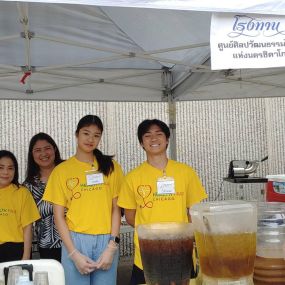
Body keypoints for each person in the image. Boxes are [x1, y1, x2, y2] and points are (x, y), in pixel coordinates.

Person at [117, 119, 208, 285]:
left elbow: (194, 211)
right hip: (147, 252)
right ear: (141, 143)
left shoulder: (186, 172)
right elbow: (130, 217)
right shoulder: (132, 177)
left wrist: (180, 235)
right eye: (147, 135)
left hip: (181, 250)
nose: (154, 139)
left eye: (159, 134)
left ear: (167, 140)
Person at [43, 115, 124, 285]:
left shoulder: (111, 166)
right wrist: (73, 253)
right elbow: (58, 216)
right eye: (86, 133)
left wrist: (112, 246)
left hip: (106, 239)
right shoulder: (61, 171)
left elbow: (116, 209)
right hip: (75, 241)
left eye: (96, 135)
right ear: (76, 134)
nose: (90, 139)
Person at [24, 133, 63, 262]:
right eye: (38, 150)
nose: (43, 153)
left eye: (47, 148)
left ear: (54, 149)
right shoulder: (29, 186)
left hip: (77, 239)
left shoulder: (68, 172)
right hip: (48, 244)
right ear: (32, 154)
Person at [0, 150, 40, 262]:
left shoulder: (22, 192)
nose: (5, 172)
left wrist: (26, 257)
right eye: (1, 167)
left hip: (15, 250)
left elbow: (28, 227)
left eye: (10, 168)